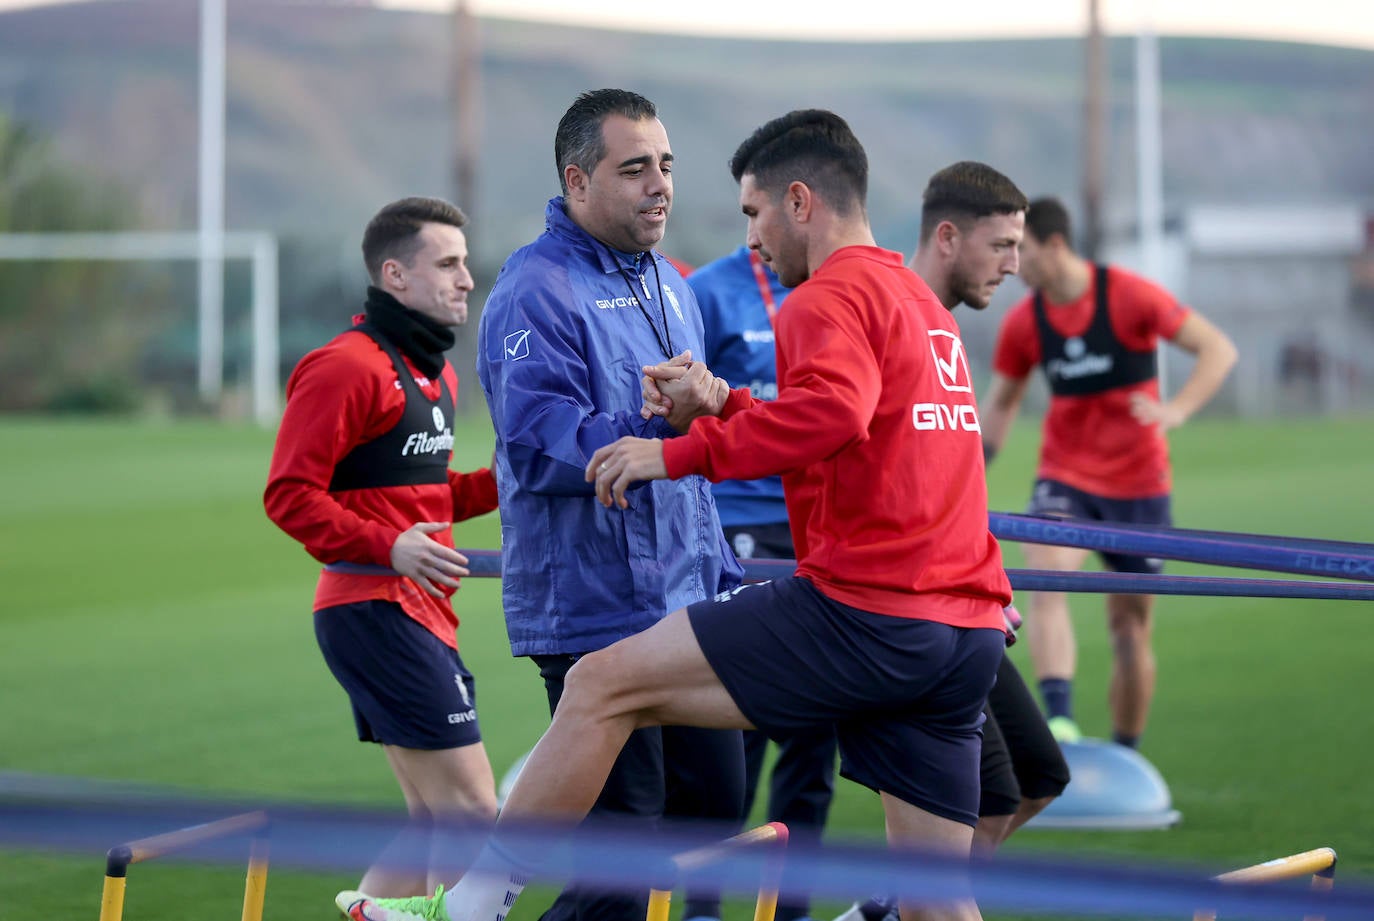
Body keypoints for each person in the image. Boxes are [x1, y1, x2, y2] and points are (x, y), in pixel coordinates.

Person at [340, 108, 1013, 921]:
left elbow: (829, 419)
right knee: (930, 899)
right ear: (577, 181)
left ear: (799, 201)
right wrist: (714, 407)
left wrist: (674, 445)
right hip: (947, 623)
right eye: (636, 168)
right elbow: (922, 450)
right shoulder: (923, 304)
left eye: (752, 211)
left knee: (646, 777)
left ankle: (471, 907)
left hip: (859, 610)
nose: (749, 237)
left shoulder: (809, 296)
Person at [346, 89, 747, 921]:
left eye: (666, 165)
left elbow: (688, 451)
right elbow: (535, 443)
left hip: (688, 601)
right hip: (596, 609)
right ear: (577, 180)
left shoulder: (673, 285)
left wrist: (721, 560)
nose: (658, 185)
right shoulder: (537, 288)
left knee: (713, 809)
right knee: (622, 862)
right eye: (634, 168)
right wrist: (652, 425)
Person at [836, 161, 1072, 921]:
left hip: (964, 602)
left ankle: (897, 908)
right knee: (996, 798)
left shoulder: (944, 331)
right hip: (906, 614)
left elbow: (949, 483)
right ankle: (907, 908)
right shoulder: (882, 315)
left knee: (1038, 777)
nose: (1016, 264)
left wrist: (989, 577)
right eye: (1002, 245)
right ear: (947, 236)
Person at [264, 196, 500, 900]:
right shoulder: (344, 366)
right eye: (449, 264)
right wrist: (388, 548)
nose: (466, 280)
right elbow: (288, 494)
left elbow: (430, 497)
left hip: (421, 611)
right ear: (395, 276)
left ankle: (373, 910)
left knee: (434, 818)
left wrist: (517, 480)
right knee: (471, 812)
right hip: (373, 609)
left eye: (466, 263)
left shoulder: (437, 374)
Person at [980, 196, 1238, 749]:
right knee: (1047, 579)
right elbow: (1002, 401)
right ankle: (1060, 723)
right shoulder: (1025, 321)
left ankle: (1126, 753)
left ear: (1054, 245)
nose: (1013, 266)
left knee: (1130, 629)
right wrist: (969, 465)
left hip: (1139, 487)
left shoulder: (1129, 295)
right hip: (1066, 479)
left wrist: (1179, 410)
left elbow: (1217, 348)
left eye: (1021, 252)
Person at [687, 245, 836, 921]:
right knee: (737, 722)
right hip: (742, 524)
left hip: (821, 523)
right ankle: (700, 902)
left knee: (814, 734)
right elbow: (689, 404)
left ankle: (790, 908)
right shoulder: (712, 289)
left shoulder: (832, 289)